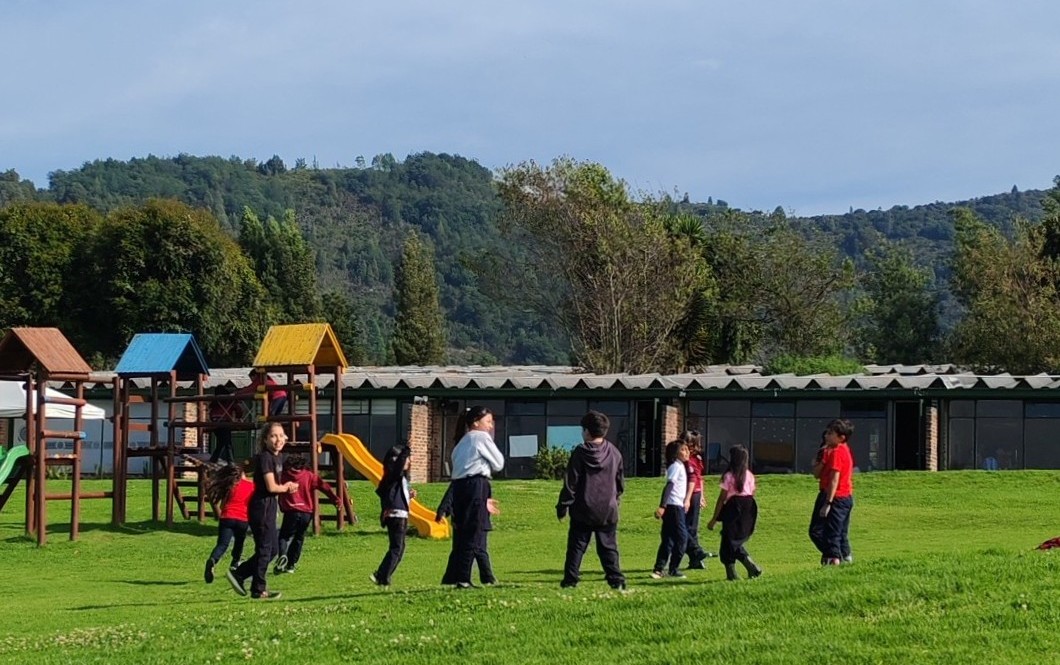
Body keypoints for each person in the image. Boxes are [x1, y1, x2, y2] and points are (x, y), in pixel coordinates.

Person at [225, 422, 298, 600]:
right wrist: (287, 487)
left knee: (272, 550)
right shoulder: (265, 458)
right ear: (265, 439)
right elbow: (271, 487)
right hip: (261, 507)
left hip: (270, 506)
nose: (278, 439)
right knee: (265, 549)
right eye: (273, 436)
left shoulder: (278, 457)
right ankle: (258, 589)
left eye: (281, 435)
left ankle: (239, 574)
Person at [555, 411, 626, 590]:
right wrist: (616, 499)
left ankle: (570, 580)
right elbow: (620, 482)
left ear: (586, 431)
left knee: (577, 547)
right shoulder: (614, 452)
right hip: (607, 509)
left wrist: (563, 506)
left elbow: (571, 482)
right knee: (608, 547)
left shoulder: (580, 452)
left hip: (583, 508)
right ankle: (616, 579)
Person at [439, 405, 504, 588]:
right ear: (476, 422)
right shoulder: (480, 437)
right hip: (476, 485)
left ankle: (456, 576)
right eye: (488, 421)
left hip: (459, 487)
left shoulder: (461, 442)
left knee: (462, 532)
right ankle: (463, 578)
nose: (491, 426)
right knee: (474, 532)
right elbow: (499, 463)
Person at [274, 454, 340, 574]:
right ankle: (291, 565)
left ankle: (282, 555)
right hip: (306, 513)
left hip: (291, 511)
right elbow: (324, 486)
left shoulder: (283, 475)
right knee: (299, 537)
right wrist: (335, 500)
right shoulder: (309, 475)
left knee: (284, 536)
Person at [707, 445, 761, 580]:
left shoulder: (729, 476)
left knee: (729, 540)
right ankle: (750, 567)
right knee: (733, 541)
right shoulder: (749, 475)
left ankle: (735, 572)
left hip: (734, 507)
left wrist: (714, 518)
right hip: (748, 507)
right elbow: (752, 492)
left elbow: (722, 498)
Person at [809, 418, 855, 566]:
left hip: (836, 496)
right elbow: (816, 474)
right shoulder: (830, 451)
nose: (826, 436)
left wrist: (828, 503)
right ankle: (843, 558)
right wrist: (821, 460)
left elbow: (835, 479)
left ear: (841, 437)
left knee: (824, 532)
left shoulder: (838, 452)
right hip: (839, 496)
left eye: (830, 434)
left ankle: (834, 558)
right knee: (839, 533)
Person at [370, 444, 417, 587]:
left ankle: (383, 576)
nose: (409, 461)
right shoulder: (393, 475)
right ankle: (381, 575)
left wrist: (408, 495)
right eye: (407, 459)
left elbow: (394, 495)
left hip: (399, 515)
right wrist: (406, 450)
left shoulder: (396, 478)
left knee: (399, 548)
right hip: (396, 516)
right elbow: (398, 467)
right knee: (397, 548)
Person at [203, 460, 253, 583]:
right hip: (243, 519)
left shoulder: (229, 486)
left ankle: (213, 560)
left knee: (222, 544)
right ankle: (235, 563)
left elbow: (222, 506)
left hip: (227, 517)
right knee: (239, 542)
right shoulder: (251, 486)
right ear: (242, 474)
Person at [651, 440, 690, 579]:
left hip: (676, 506)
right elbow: (669, 486)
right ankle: (673, 568)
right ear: (675, 453)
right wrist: (663, 506)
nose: (687, 452)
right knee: (682, 538)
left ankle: (658, 569)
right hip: (674, 507)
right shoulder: (676, 466)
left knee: (668, 539)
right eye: (683, 449)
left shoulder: (680, 466)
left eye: (687, 449)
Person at [680, 430, 711, 569]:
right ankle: (695, 559)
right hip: (695, 494)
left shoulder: (689, 460)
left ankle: (696, 552)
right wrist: (701, 495)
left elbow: (696, 479)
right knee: (691, 528)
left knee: (684, 527)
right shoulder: (696, 458)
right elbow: (700, 479)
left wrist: (697, 496)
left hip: (690, 494)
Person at [207, 385, 245, 464]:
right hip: (225, 422)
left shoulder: (214, 402)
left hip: (215, 423)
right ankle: (231, 462)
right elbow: (238, 410)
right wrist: (238, 417)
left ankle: (214, 459)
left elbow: (210, 413)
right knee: (227, 443)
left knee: (221, 442)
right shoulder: (229, 400)